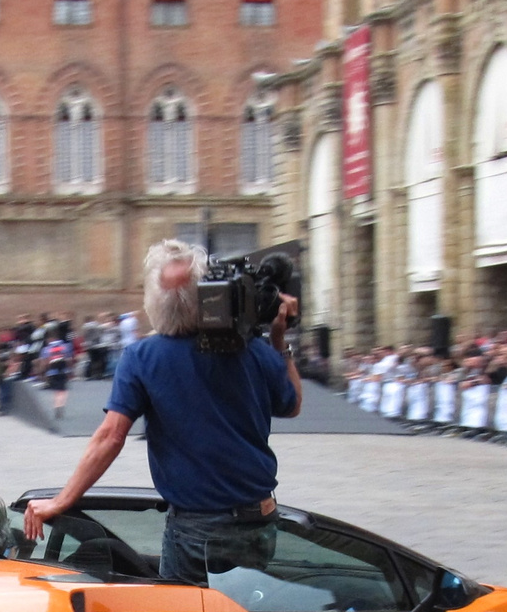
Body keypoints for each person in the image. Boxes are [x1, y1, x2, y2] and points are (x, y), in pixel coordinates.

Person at [24, 239, 302, 585]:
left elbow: (110, 436)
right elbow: (291, 406)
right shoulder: (254, 350)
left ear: (154, 301)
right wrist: (280, 340)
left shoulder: (142, 357)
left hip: (197, 529)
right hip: (260, 519)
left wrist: (60, 501)